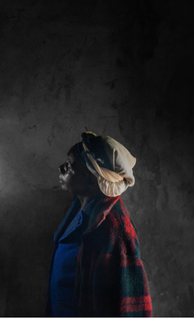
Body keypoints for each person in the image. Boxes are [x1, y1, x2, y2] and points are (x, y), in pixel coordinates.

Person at [49, 132, 151, 316]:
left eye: (70, 166)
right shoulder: (78, 209)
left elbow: (129, 308)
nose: (61, 168)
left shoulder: (116, 230)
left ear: (90, 179)